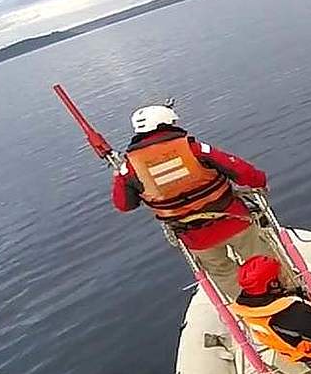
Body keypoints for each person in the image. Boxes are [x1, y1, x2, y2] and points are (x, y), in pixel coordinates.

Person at [111, 104, 279, 297]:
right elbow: (240, 170)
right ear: (166, 124)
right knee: (262, 259)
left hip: (196, 238)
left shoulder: (129, 168)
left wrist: (118, 177)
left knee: (223, 273)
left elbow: (124, 205)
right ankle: (285, 294)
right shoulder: (194, 150)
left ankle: (248, 307)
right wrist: (259, 181)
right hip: (233, 220)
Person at [230, 255, 311, 367]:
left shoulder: (252, 310)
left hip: (305, 356)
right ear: (273, 284)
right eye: (281, 274)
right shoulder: (294, 315)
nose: (285, 275)